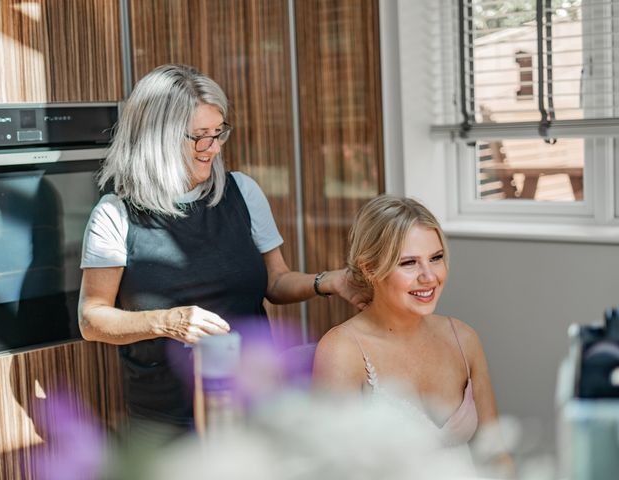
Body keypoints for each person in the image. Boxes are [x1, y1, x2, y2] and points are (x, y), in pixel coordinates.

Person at [77, 64, 367, 436]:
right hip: (167, 419)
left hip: (256, 404)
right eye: (200, 136)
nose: (212, 148)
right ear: (157, 138)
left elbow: (275, 282)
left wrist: (330, 281)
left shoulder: (241, 193)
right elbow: (91, 319)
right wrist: (167, 321)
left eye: (218, 133)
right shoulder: (114, 215)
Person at [312, 195, 513, 475]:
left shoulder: (463, 339)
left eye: (436, 258)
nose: (429, 276)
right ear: (370, 268)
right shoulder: (342, 351)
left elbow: (496, 455)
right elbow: (332, 471)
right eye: (409, 263)